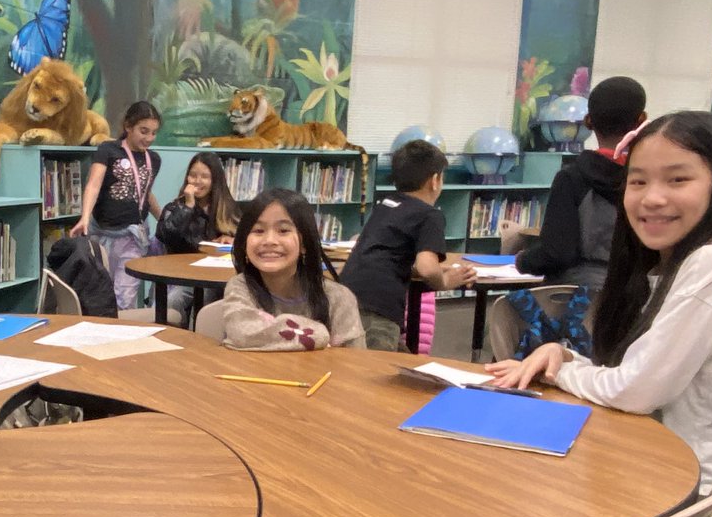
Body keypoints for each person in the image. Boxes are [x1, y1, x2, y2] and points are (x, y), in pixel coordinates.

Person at [487, 110, 712, 517]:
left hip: (701, 491)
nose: (652, 198)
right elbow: (639, 372)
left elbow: (636, 390)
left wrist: (563, 371)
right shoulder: (671, 266)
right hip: (676, 466)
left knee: (516, 491)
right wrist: (566, 356)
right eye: (638, 182)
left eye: (677, 180)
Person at [501, 76, 647, 291]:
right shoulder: (651, 181)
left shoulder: (572, 178)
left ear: (588, 121)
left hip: (577, 297)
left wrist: (521, 260)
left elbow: (557, 253)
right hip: (635, 294)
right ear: (642, 120)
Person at [339, 139, 475, 350]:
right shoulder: (429, 215)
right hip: (379, 307)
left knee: (400, 359)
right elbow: (427, 268)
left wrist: (430, 268)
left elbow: (385, 254)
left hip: (346, 297)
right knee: (376, 366)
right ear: (435, 180)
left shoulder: (386, 204)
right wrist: (445, 281)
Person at [221, 188, 364, 351]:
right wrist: (318, 335)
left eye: (283, 231)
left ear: (304, 243)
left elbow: (355, 361)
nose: (269, 240)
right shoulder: (240, 287)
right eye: (258, 231)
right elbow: (243, 332)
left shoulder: (339, 298)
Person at [69, 101, 162, 310]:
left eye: (154, 133)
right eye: (143, 131)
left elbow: (144, 193)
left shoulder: (153, 159)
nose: (149, 138)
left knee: (125, 296)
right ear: (128, 126)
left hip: (133, 236)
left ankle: (123, 327)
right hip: (103, 234)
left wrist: (163, 218)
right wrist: (84, 217)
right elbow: (93, 185)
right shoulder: (108, 150)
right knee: (101, 292)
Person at [155, 151, 239, 320]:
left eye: (205, 177)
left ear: (215, 180)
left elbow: (248, 239)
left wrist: (233, 239)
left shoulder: (228, 208)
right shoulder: (175, 207)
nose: (197, 181)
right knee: (174, 301)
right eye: (193, 175)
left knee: (210, 303)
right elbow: (166, 235)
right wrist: (188, 207)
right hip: (183, 276)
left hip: (217, 277)